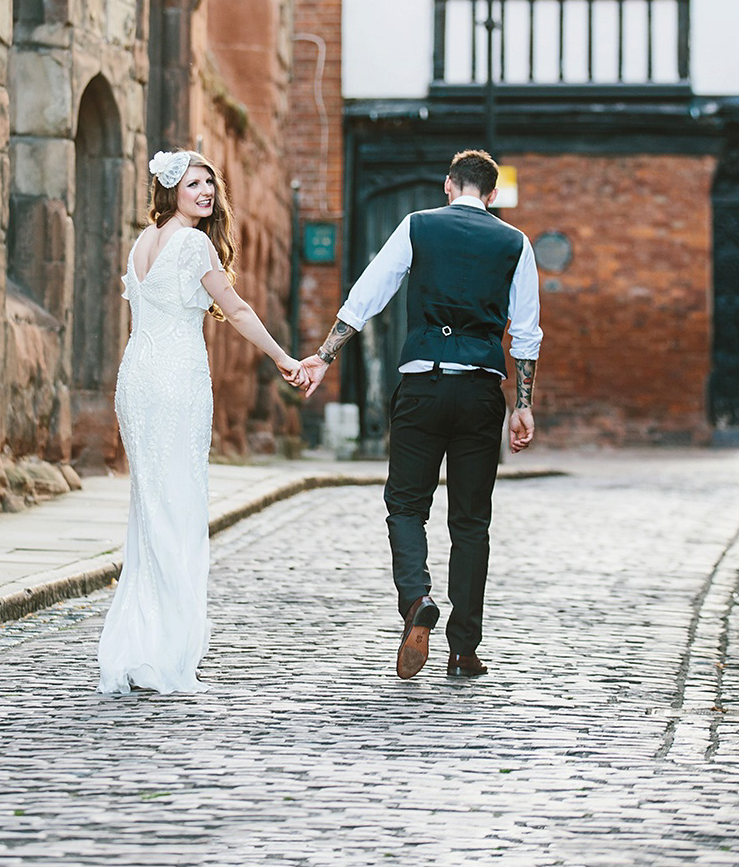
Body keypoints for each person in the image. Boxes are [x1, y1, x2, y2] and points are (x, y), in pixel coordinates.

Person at [300, 149, 542, 681]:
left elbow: (369, 293)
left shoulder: (418, 226)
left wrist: (325, 355)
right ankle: (463, 651)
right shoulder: (515, 242)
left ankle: (417, 600)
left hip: (423, 384)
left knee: (407, 505)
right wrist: (522, 405)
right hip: (482, 391)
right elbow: (525, 332)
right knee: (472, 522)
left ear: (448, 187)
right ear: (494, 195)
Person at [98, 148, 308, 695]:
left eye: (210, 183)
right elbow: (235, 309)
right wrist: (284, 358)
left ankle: (143, 645)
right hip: (173, 382)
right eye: (194, 184)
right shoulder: (192, 243)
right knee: (179, 511)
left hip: (137, 379)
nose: (206, 192)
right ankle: (166, 651)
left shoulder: (142, 242)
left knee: (151, 514)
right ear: (171, 189)